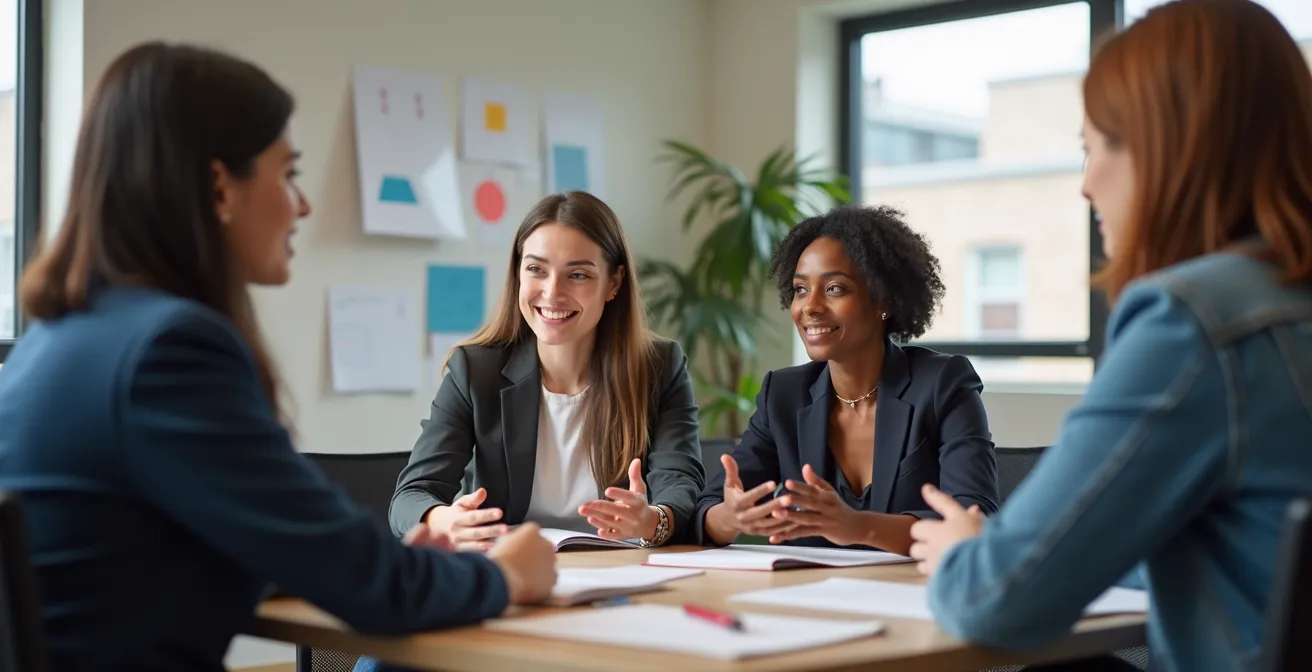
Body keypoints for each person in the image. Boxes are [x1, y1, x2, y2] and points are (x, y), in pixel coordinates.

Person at [0, 42, 557, 671]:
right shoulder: (168, 354)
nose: (303, 205)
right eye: (287, 173)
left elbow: (173, 558)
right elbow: (374, 589)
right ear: (219, 188)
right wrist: (508, 576)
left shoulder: (54, 341)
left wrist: (404, 566)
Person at [909, 1, 1312, 670]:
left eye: (1094, 148)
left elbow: (997, 601)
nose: (1086, 186)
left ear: (1169, 147)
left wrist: (965, 557)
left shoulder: (1191, 322)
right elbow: (1248, 550)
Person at [388, 190, 705, 548]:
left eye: (578, 275)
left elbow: (681, 485)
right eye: (536, 269)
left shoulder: (659, 367)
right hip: (512, 572)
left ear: (613, 284)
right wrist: (445, 519)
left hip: (622, 571)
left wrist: (653, 519)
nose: (552, 294)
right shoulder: (475, 370)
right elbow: (410, 497)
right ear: (518, 273)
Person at [690, 205, 999, 555]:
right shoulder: (784, 395)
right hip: (810, 599)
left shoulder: (943, 384)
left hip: (916, 595)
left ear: (883, 299)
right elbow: (707, 511)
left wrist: (857, 526)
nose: (810, 307)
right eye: (801, 289)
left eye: (835, 289)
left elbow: (975, 520)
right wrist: (731, 518)